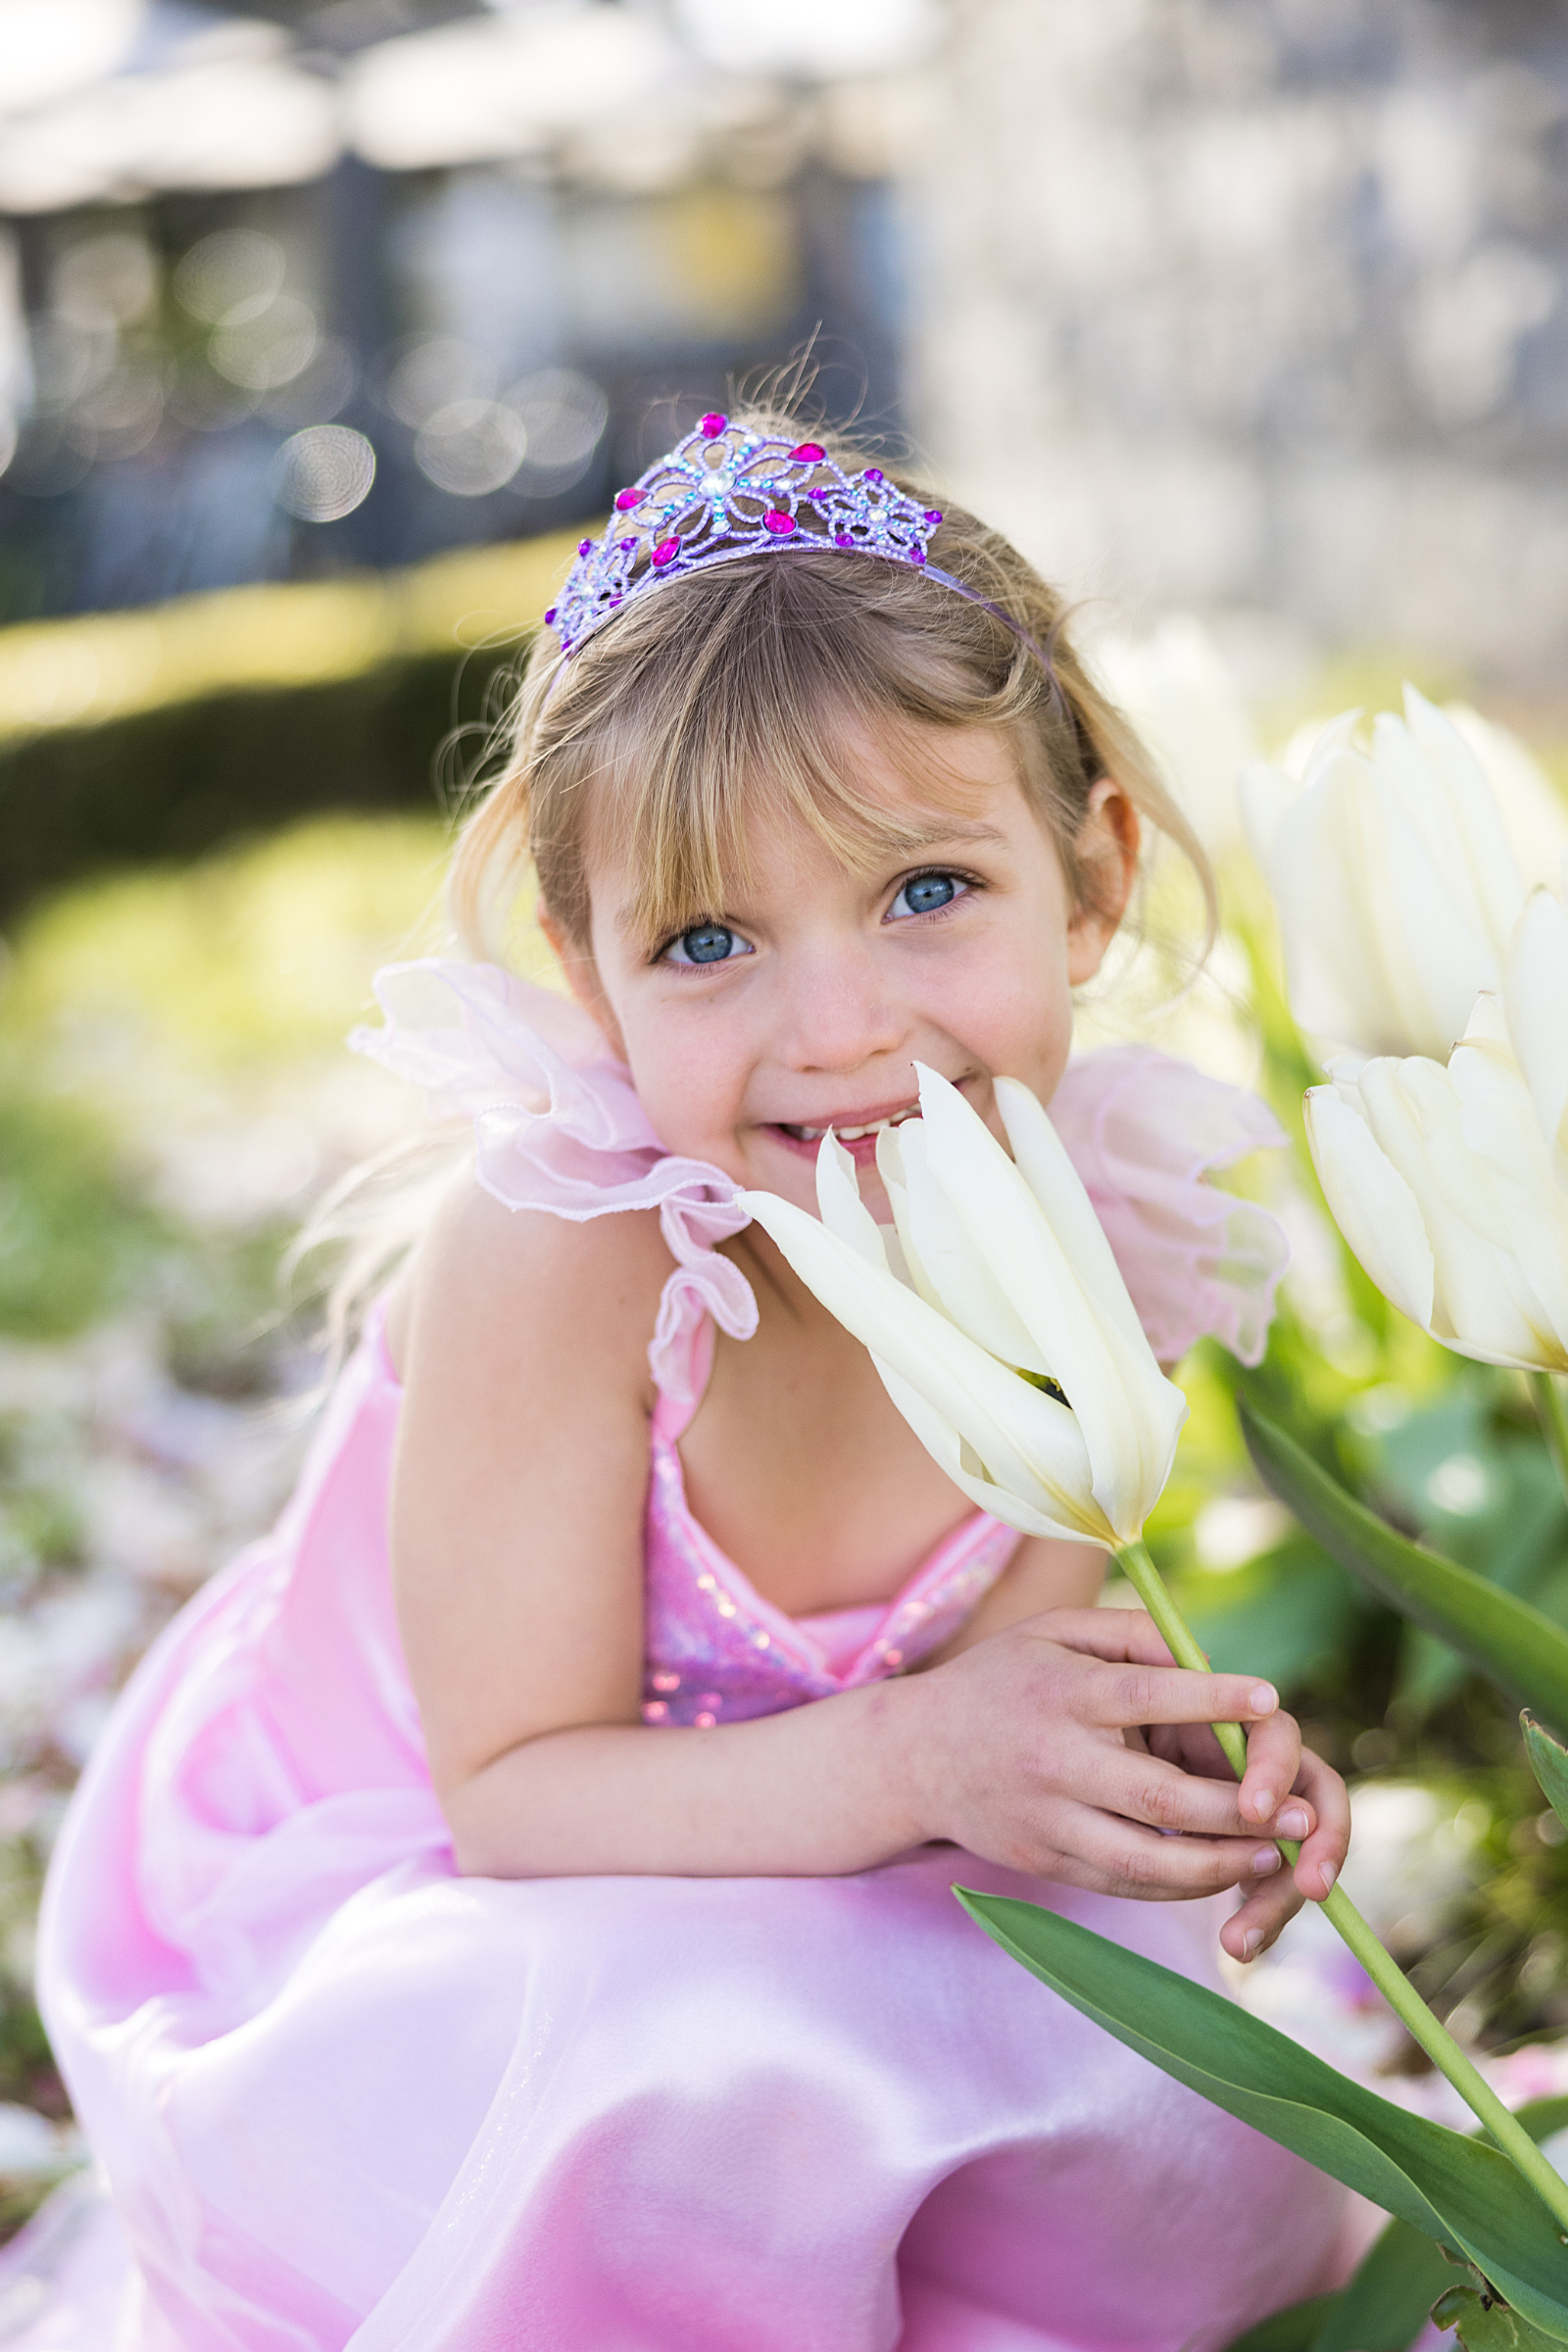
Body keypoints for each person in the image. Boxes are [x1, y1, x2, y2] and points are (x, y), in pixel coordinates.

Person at [25, 412, 1352, 2351]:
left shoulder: (1097, 1227)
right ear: (588, 975)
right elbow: (511, 1801)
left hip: (838, 1865)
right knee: (675, 2056)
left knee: (1162, 2111)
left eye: (923, 892)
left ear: (1091, 876)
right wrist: (920, 1760)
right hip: (467, 1879)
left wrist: (1163, 1773)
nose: (840, 1030)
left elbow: (1016, 1708)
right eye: (709, 938)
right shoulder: (566, 1257)